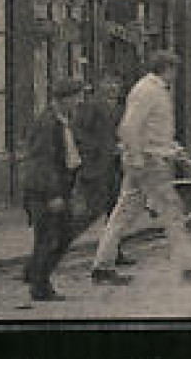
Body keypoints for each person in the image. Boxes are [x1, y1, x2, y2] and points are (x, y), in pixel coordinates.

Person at [89, 51, 191, 285]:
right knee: (171, 212)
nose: (175, 75)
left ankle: (102, 267)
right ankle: (188, 266)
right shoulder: (147, 90)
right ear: (166, 68)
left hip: (148, 159)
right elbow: (128, 127)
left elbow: (156, 132)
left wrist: (178, 154)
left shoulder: (153, 90)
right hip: (148, 162)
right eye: (174, 69)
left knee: (123, 214)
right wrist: (136, 158)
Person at [21, 78, 88, 302]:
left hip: (59, 188)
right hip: (45, 192)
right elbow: (42, 162)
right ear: (65, 99)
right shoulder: (48, 123)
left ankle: (34, 273)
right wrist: (53, 195)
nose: (80, 101)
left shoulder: (62, 120)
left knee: (59, 234)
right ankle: (40, 287)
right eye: (77, 97)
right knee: (51, 236)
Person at [71, 74, 136, 265]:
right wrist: (102, 149)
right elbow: (79, 134)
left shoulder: (120, 109)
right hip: (96, 168)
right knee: (91, 212)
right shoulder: (91, 107)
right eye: (108, 83)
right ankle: (57, 247)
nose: (113, 87)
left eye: (116, 82)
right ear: (100, 86)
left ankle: (114, 252)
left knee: (114, 211)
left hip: (115, 168)